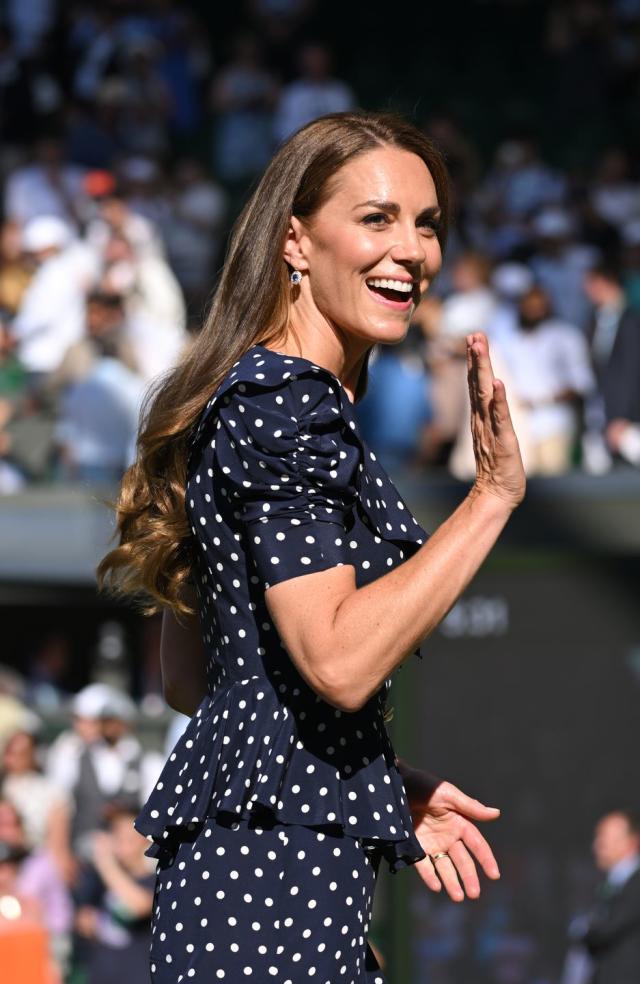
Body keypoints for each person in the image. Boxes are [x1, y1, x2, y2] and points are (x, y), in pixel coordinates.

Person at [97, 111, 526, 982]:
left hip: (260, 879)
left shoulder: (252, 396)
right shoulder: (289, 406)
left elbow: (196, 682)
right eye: (377, 218)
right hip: (265, 889)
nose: (412, 249)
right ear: (295, 241)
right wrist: (492, 496)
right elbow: (335, 661)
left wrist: (369, 778)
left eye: (428, 223)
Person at [580, 810, 640, 983]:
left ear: (631, 841)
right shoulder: (607, 883)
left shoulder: (634, 884)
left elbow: (606, 929)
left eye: (604, 839)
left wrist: (584, 932)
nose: (596, 845)